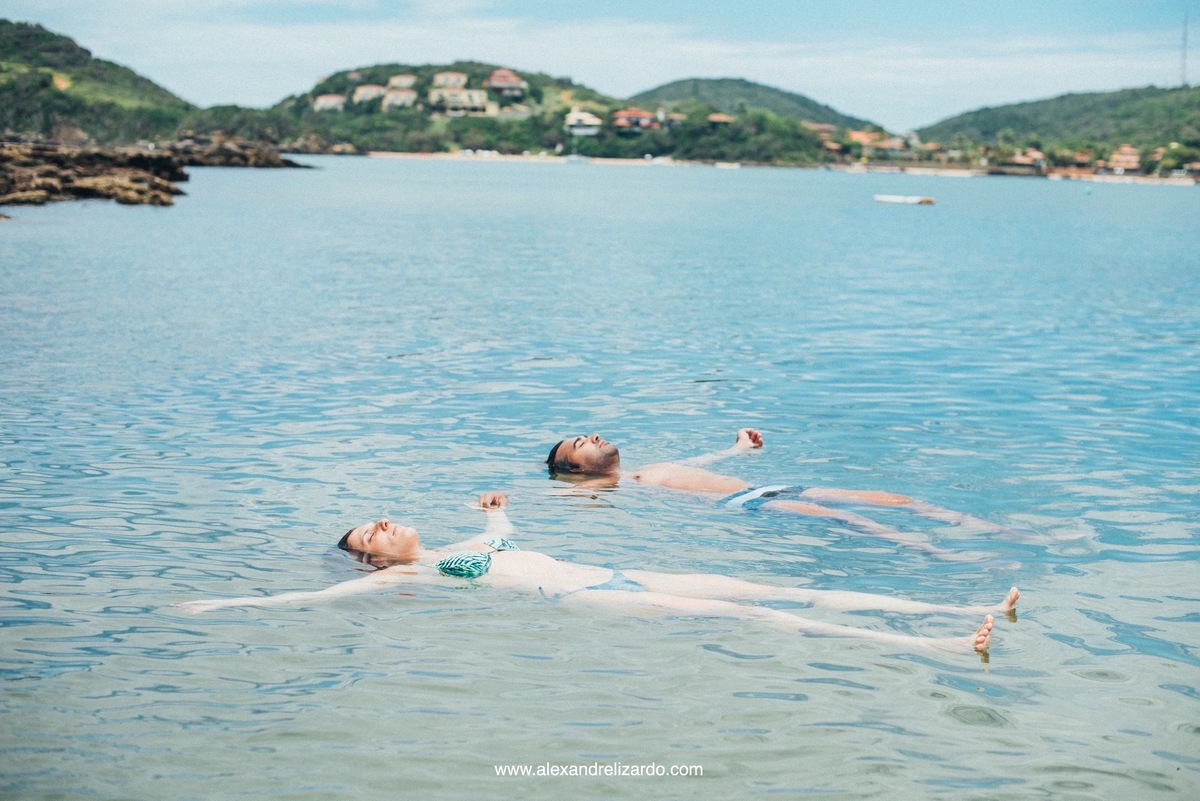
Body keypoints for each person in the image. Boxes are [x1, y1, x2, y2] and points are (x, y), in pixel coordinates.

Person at [175, 492, 1015, 656]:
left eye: (381, 513)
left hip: (618, 567)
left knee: (776, 589)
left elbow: (506, 531)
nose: (385, 522)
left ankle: (961, 603)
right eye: (372, 531)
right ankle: (939, 645)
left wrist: (498, 509)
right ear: (371, 556)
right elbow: (318, 596)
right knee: (756, 621)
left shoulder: (459, 546)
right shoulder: (407, 579)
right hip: (586, 598)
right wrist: (231, 601)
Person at [545, 429, 1015, 555]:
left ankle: (988, 529)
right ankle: (945, 556)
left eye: (589, 433)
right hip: (742, 503)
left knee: (891, 499)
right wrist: (494, 505)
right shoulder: (615, 489)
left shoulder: (650, 469)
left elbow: (699, 465)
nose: (594, 436)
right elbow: (550, 499)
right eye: (582, 443)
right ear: (575, 471)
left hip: (760, 485)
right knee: (848, 518)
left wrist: (736, 449)